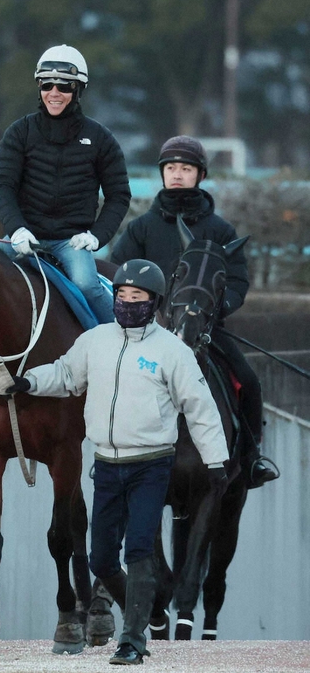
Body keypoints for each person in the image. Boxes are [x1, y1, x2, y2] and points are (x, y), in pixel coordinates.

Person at [5, 259, 229, 665]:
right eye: (122, 295)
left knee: (140, 548)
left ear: (154, 302)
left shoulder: (172, 351)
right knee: (102, 558)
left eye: (136, 297)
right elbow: (66, 375)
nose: (127, 303)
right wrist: (29, 382)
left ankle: (132, 640)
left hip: (151, 464)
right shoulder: (96, 340)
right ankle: (142, 612)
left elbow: (200, 407)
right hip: (106, 464)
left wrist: (216, 461)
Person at [0, 44, 131, 381]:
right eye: (47, 85)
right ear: (39, 88)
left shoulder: (100, 139)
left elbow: (118, 196)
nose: (55, 93)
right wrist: (18, 229)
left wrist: (96, 236)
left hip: (72, 242)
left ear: (79, 89)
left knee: (87, 284)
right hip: (24, 236)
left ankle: (122, 351)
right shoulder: (19, 132)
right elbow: (3, 187)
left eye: (64, 86)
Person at [111, 135, 277, 489]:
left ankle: (251, 458)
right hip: (148, 333)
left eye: (185, 168)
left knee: (248, 380)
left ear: (200, 175)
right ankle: (111, 455)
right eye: (170, 168)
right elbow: (116, 273)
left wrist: (220, 308)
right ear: (162, 173)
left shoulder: (220, 230)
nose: (177, 174)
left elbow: (237, 281)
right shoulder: (141, 229)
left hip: (206, 331)